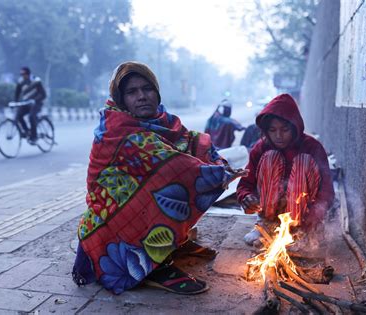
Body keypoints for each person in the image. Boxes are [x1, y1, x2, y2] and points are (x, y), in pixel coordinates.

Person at [72, 61, 247, 295]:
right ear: (121, 99)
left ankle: (171, 243)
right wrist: (219, 173)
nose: (142, 96)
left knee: (175, 177)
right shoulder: (117, 130)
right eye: (132, 92)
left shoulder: (165, 121)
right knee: (168, 180)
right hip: (111, 223)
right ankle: (154, 264)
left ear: (157, 91)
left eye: (147, 88)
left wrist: (217, 162)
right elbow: (175, 164)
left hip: (134, 209)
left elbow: (192, 141)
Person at [236, 94, 334, 247]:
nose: (278, 136)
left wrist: (315, 215)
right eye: (273, 130)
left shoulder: (312, 146)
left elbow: (327, 191)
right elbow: (245, 184)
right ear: (266, 131)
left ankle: (301, 231)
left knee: (303, 161)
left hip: (303, 215)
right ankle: (266, 226)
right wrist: (247, 197)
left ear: (295, 128)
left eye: (284, 129)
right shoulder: (261, 148)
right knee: (270, 157)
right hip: (271, 209)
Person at [14, 67, 46, 144]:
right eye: (21, 74)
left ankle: (34, 136)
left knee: (31, 116)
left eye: (24, 74)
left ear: (28, 74)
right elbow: (17, 94)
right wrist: (15, 102)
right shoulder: (20, 82)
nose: (23, 76)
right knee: (18, 116)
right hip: (26, 103)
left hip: (37, 103)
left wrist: (35, 100)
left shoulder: (36, 80)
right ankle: (27, 131)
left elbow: (43, 94)